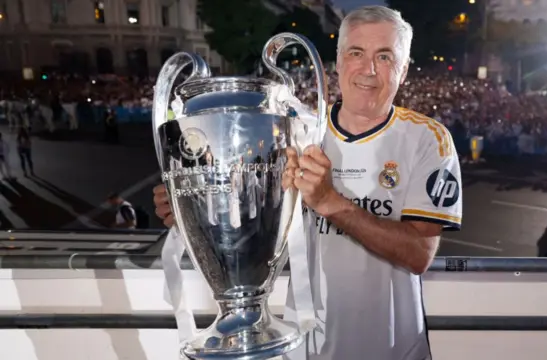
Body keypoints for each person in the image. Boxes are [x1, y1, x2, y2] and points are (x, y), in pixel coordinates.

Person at [153, 6, 462, 360]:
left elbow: (419, 254)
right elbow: (256, 227)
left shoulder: (428, 139)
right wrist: (200, 211)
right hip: (303, 344)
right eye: (356, 53)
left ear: (404, 70)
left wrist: (334, 203)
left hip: (392, 348)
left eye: (385, 56)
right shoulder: (295, 131)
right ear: (339, 61)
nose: (369, 69)